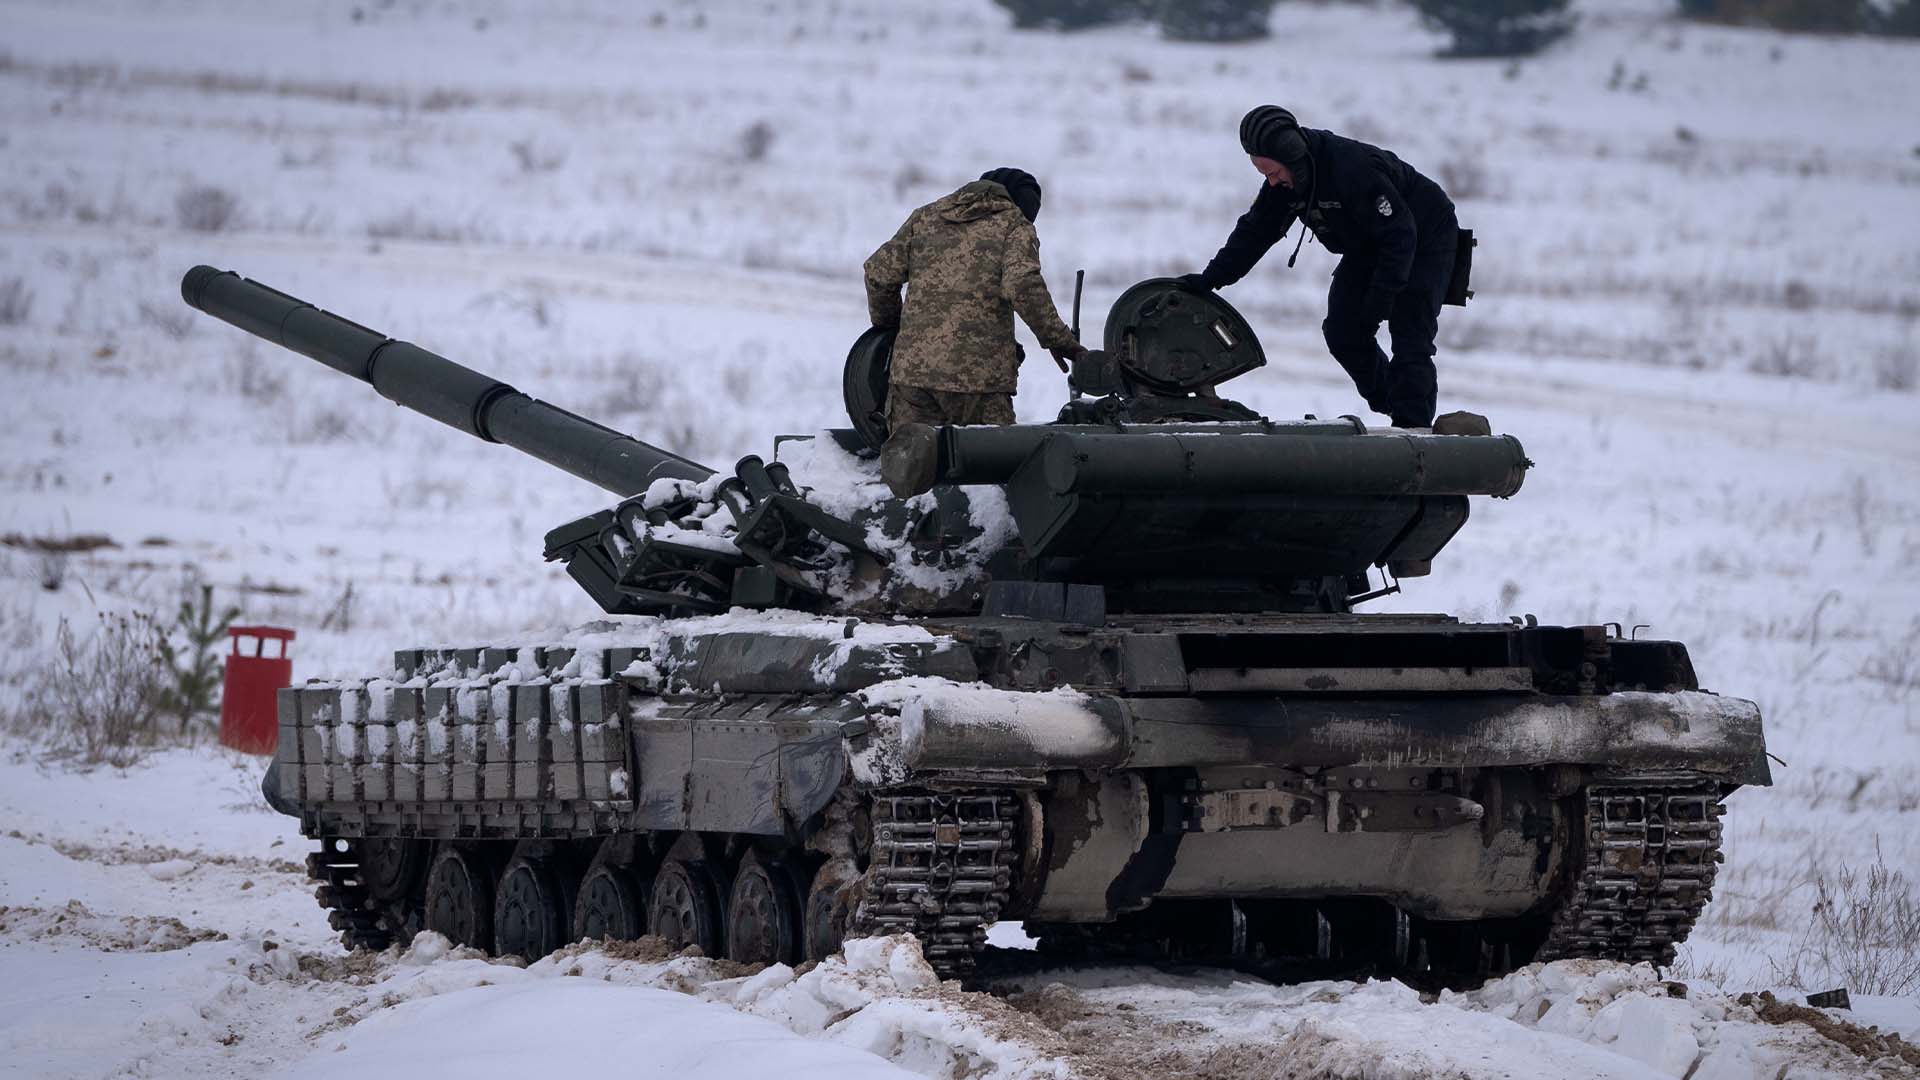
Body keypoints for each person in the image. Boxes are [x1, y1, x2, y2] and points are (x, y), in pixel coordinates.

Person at [1179, 106, 1461, 430]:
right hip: (1368, 244)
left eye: (1273, 172)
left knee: (1410, 330)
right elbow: (1255, 233)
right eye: (1264, 175)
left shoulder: (1352, 170)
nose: (1272, 182)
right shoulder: (1286, 185)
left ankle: (1414, 427)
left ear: (1292, 155)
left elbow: (1400, 235)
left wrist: (1381, 300)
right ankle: (1394, 399)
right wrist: (1211, 278)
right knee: (1343, 332)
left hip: (1423, 235)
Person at [864, 167, 1086, 431]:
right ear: (1018, 203)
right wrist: (1060, 341)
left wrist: (893, 329)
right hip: (979, 384)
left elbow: (878, 274)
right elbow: (1023, 285)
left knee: (909, 465)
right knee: (987, 468)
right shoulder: (1014, 224)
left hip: (912, 381)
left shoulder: (925, 217)